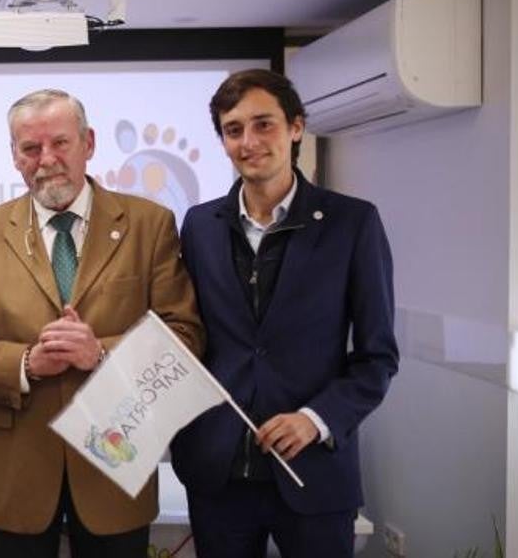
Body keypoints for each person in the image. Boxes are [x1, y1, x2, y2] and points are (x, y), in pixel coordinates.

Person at [0, 89, 204, 557]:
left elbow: (184, 336)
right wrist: (26, 362)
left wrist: (99, 353)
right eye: (30, 148)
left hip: (116, 463)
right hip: (16, 471)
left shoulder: (149, 224)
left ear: (89, 143)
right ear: (14, 156)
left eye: (60, 143)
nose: (47, 160)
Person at [169, 69, 399, 558]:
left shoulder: (352, 223)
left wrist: (316, 419)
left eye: (263, 124)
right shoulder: (199, 226)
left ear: (296, 128)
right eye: (234, 130)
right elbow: (187, 333)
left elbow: (377, 357)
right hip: (218, 474)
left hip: (314, 471)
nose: (249, 142)